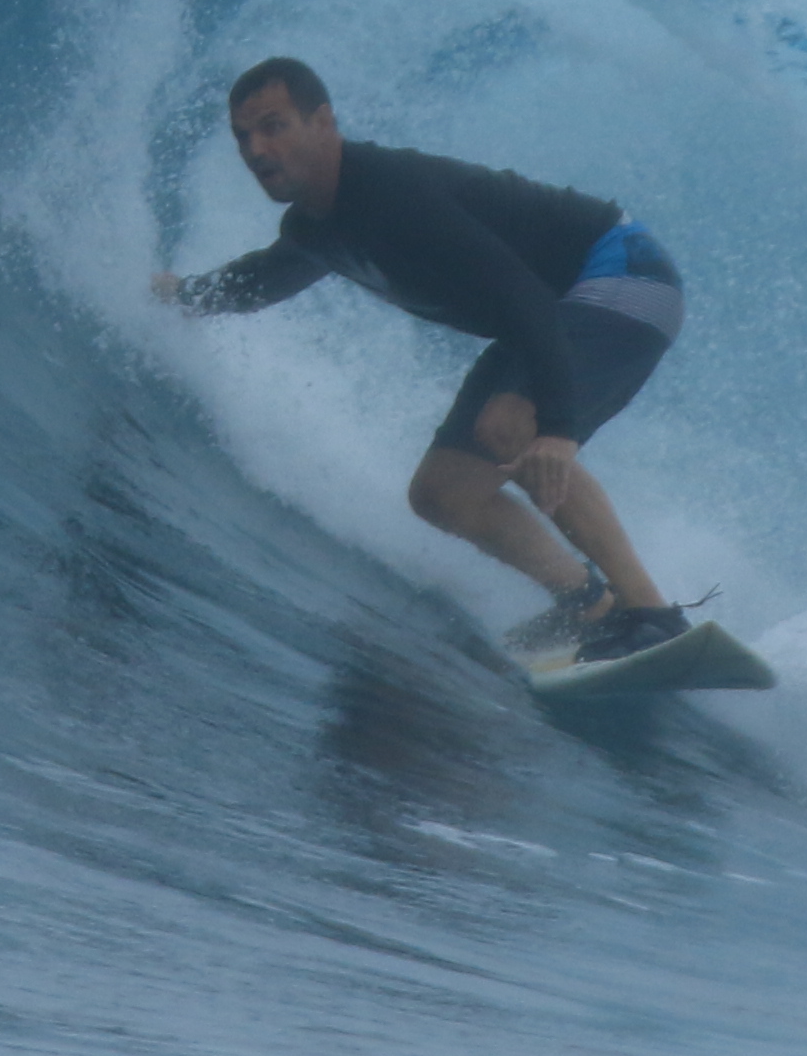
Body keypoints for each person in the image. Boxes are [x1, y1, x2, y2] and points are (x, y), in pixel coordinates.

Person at [150, 56, 696, 664]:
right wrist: (182, 297)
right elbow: (263, 279)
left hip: (627, 273)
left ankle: (651, 615)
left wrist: (558, 429)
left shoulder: (395, 195)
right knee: (442, 494)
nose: (256, 149)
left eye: (273, 126)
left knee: (508, 424)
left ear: (323, 122)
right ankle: (588, 604)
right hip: (553, 309)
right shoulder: (315, 228)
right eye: (243, 136)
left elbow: (521, 295)